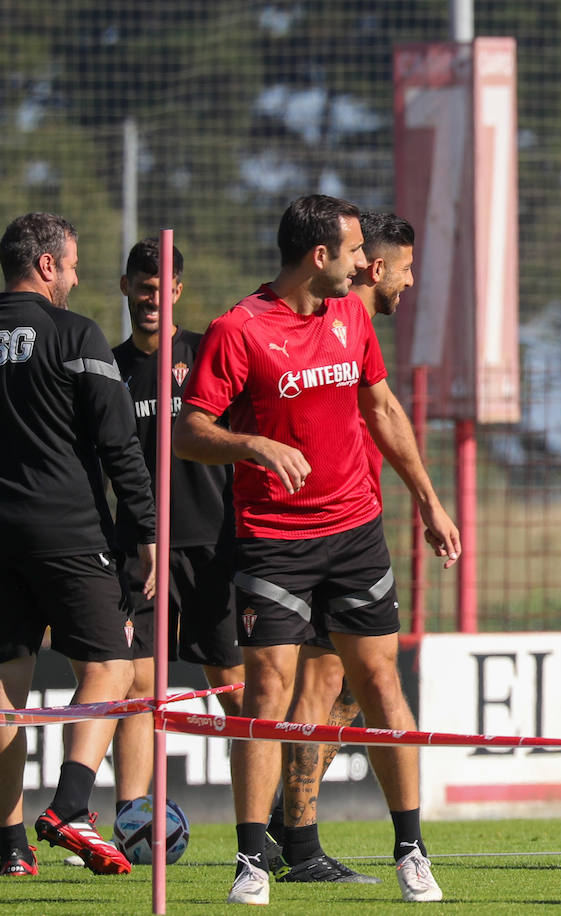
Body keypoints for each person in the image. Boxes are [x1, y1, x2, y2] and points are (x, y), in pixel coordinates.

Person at [173, 194, 460, 905]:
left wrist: (427, 498)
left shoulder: (352, 317)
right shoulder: (236, 330)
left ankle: (411, 851)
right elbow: (187, 431)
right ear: (319, 256)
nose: (369, 264)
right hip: (273, 543)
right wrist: (253, 444)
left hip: (357, 534)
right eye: (358, 251)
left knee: (382, 687)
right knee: (267, 693)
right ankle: (250, 861)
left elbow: (383, 409)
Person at [0, 212, 157, 877]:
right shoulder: (74, 333)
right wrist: (146, 530)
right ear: (45, 266)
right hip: (67, 533)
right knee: (113, 665)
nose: (74, 277)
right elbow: (119, 444)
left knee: (7, 687)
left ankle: (9, 849)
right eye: (70, 266)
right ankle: (68, 806)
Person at [265, 211, 417, 884]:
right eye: (405, 268)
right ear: (374, 268)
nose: (409, 283)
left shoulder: (353, 327)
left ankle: (289, 827)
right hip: (316, 534)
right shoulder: (326, 327)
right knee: (330, 681)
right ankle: (294, 836)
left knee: (346, 686)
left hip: (353, 527)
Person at [109, 239, 246, 829]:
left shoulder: (205, 354)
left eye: (162, 289)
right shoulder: (108, 368)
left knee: (237, 692)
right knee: (138, 690)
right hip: (139, 550)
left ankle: (259, 829)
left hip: (214, 547)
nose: (152, 300)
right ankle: (128, 821)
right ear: (126, 288)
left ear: (178, 292)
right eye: (143, 288)